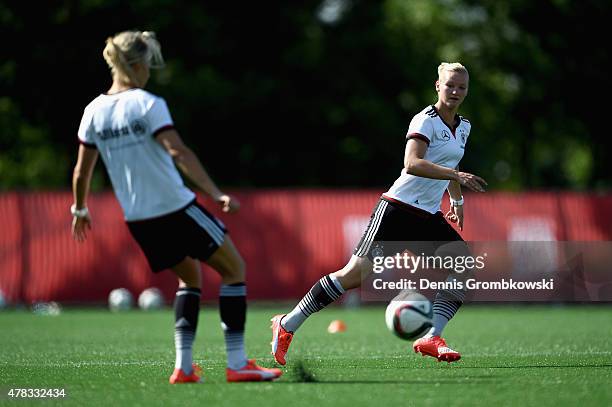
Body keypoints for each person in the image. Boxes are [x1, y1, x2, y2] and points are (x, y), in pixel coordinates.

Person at [71, 30, 281, 383]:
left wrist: (79, 209)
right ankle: (237, 362)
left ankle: (184, 367)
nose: (150, 72)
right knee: (234, 269)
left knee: (190, 278)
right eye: (149, 65)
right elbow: (178, 151)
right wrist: (215, 193)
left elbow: (81, 171)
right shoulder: (148, 104)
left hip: (138, 219)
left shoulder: (93, 111)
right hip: (175, 207)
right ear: (136, 65)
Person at [271, 62, 487, 365]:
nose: (455, 91)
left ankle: (431, 336)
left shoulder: (463, 126)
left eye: (461, 87)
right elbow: (412, 163)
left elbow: (448, 166)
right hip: (397, 211)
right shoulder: (424, 120)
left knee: (463, 267)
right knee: (353, 276)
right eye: (449, 85)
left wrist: (457, 201)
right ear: (438, 86)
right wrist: (460, 176)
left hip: (426, 218)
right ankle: (287, 324)